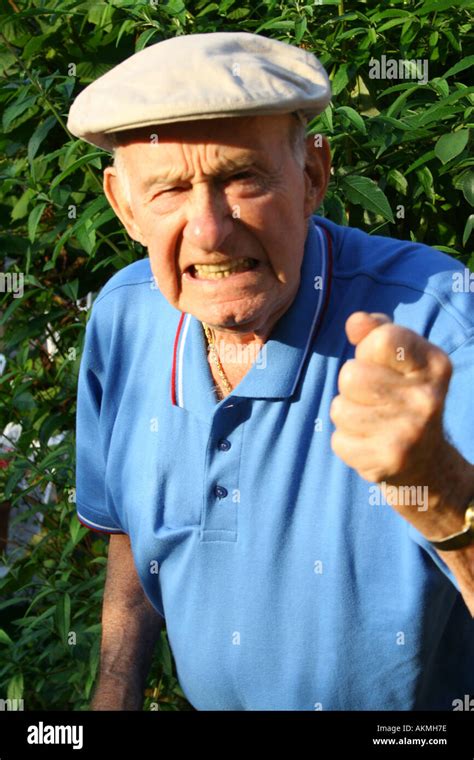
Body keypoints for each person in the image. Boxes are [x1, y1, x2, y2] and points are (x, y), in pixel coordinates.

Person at [67, 32, 474, 711]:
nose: (210, 231)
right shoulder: (123, 319)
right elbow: (130, 530)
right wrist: (114, 690)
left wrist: (438, 490)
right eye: (168, 190)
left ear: (314, 175)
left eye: (241, 177)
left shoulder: (434, 322)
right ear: (123, 205)